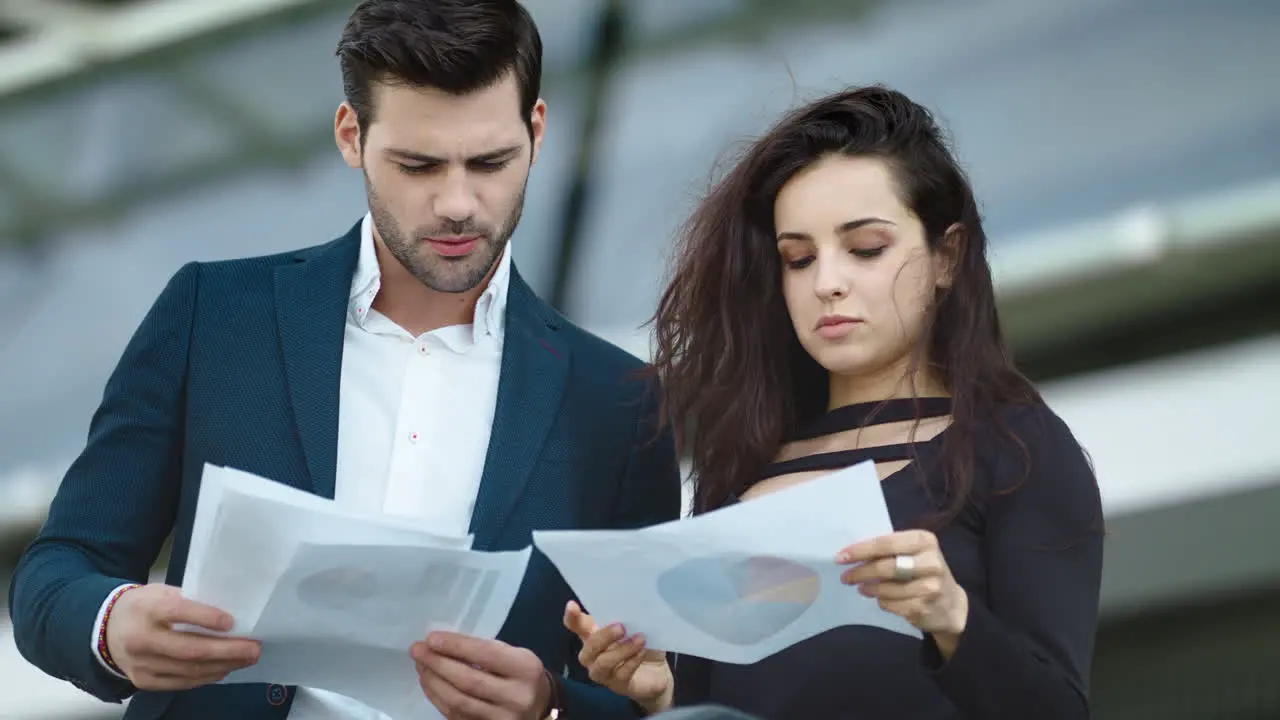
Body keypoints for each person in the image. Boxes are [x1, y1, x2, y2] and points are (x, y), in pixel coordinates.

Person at [7, 1, 681, 718]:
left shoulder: (619, 400)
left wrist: (551, 705)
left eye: (489, 162)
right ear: (351, 135)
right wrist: (110, 625)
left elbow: (653, 683)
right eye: (418, 164)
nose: (457, 202)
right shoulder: (216, 316)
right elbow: (53, 575)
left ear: (537, 132)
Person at [564, 85, 1104, 718]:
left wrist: (952, 616)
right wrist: (664, 698)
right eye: (798, 258)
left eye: (865, 249)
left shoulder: (1017, 448)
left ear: (946, 257)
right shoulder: (741, 469)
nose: (827, 283)